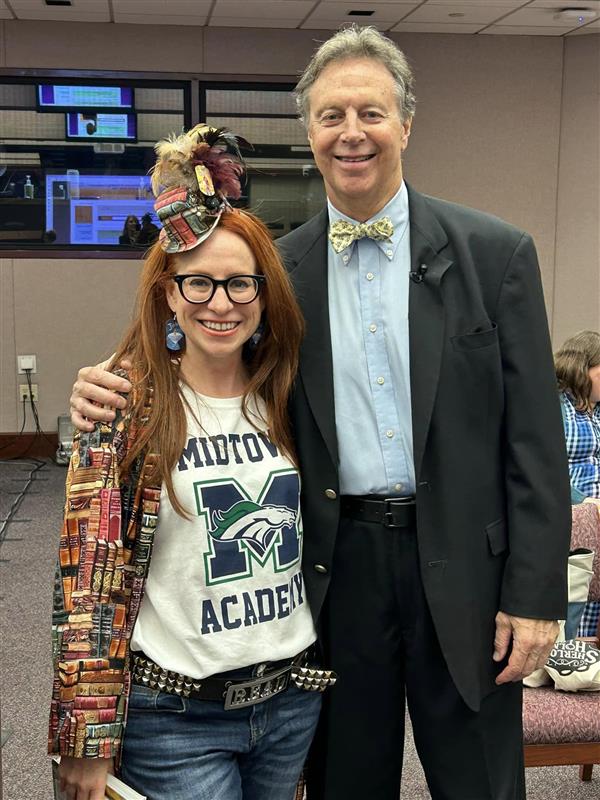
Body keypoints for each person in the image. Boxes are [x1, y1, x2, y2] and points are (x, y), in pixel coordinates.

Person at [69, 27, 571, 800]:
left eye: (371, 112)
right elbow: (210, 338)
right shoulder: (281, 268)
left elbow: (535, 443)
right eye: (331, 115)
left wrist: (535, 597)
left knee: (480, 782)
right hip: (335, 574)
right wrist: (114, 378)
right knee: (345, 781)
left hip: (472, 568)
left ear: (406, 123)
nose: (352, 133)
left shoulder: (496, 254)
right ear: (310, 131)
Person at [50, 124, 333, 800]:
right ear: (168, 294)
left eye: (240, 284)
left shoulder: (292, 397)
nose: (220, 303)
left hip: (290, 704)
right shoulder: (124, 406)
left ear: (265, 296)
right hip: (173, 718)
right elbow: (87, 587)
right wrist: (84, 741)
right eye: (198, 284)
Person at [555, 330, 600, 505]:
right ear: (580, 369)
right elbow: (542, 472)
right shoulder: (556, 408)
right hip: (572, 510)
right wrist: (584, 501)